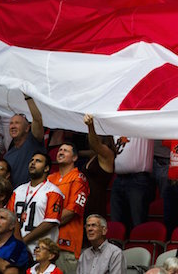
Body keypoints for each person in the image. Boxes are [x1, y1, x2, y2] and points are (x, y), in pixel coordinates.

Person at [8, 152, 65, 254]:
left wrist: (23, 241)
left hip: (42, 251)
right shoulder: (18, 190)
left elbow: (49, 223)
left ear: (46, 168)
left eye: (38, 161)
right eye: (31, 160)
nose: (33, 163)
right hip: (16, 248)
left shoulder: (53, 192)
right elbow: (9, 217)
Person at [47, 142, 89, 274]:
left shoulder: (78, 178)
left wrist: (47, 224)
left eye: (66, 151)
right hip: (46, 242)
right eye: (60, 150)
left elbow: (71, 211)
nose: (61, 152)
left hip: (66, 243)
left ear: (75, 158)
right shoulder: (49, 178)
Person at [109, 130, 154, 233]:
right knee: (116, 223)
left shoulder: (141, 125)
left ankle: (137, 249)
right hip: (118, 178)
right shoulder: (115, 124)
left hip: (138, 179)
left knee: (137, 222)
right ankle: (116, 248)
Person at [4, 95, 45, 188]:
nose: (13, 126)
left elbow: (37, 119)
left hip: (34, 195)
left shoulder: (33, 142)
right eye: (11, 123)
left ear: (27, 128)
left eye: (17, 123)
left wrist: (28, 98)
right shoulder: (7, 155)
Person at [82, 114, 114, 220]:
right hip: (85, 202)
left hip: (96, 204)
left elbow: (95, 144)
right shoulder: (95, 156)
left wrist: (91, 126)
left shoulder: (108, 155)